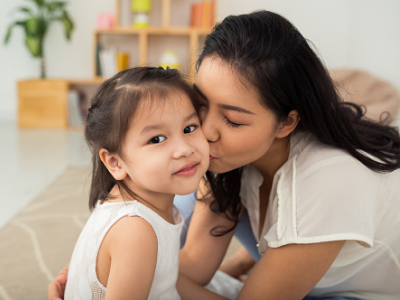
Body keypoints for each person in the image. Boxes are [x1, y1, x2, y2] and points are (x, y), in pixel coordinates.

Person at [49, 11, 400, 300]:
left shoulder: (328, 180)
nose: (205, 132)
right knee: (171, 185)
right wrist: (100, 271)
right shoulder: (229, 157)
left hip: (354, 291)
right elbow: (194, 264)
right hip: (299, 238)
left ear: (286, 122)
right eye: (200, 106)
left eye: (232, 120)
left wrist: (152, 278)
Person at [61, 66, 228, 300]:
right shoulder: (135, 229)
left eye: (189, 128)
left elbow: (168, 280)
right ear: (115, 162)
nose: (184, 149)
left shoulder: (148, 202)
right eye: (156, 139)